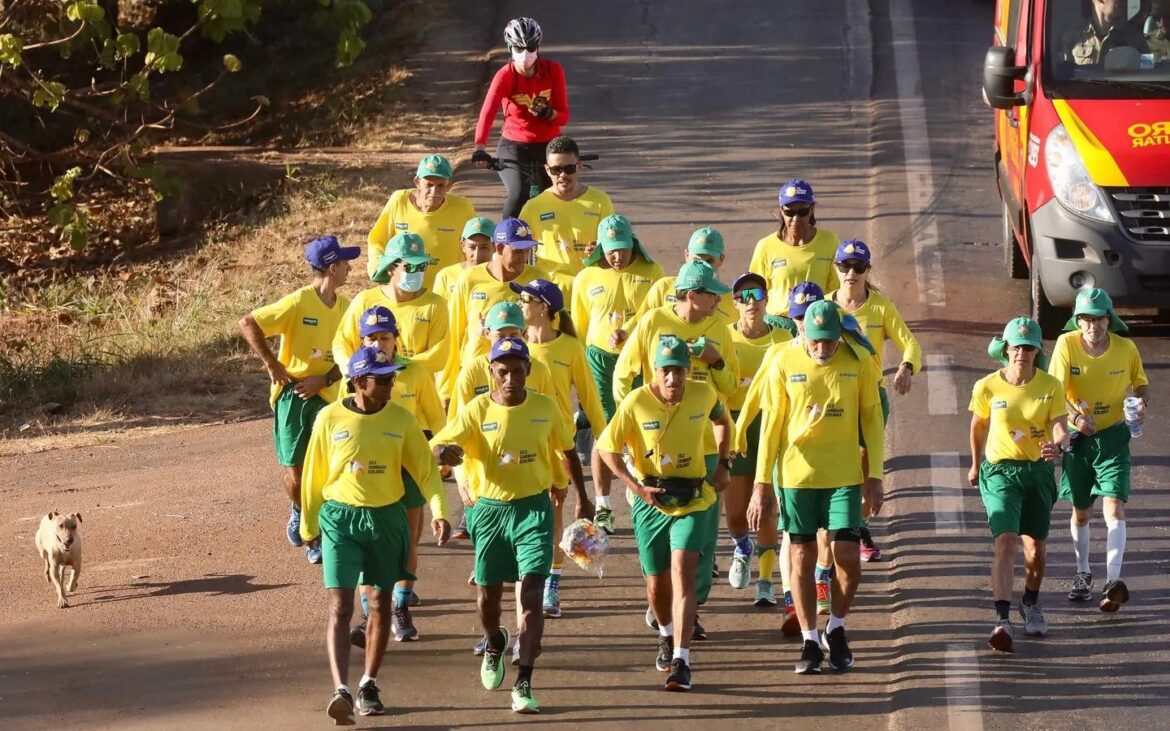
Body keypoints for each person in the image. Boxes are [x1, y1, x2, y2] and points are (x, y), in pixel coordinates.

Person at [299, 346, 451, 723]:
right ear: (358, 382)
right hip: (340, 520)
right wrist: (308, 524)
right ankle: (341, 690)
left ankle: (368, 683)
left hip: (387, 519)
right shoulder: (329, 418)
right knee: (341, 605)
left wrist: (441, 511)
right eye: (382, 380)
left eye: (392, 378)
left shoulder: (401, 419)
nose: (389, 385)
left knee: (381, 605)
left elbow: (426, 469)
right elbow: (314, 475)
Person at [430, 336, 574, 714]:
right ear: (492, 372)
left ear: (529, 369)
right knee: (488, 598)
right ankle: (494, 640)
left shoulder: (546, 407)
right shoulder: (477, 410)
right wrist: (443, 452)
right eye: (503, 371)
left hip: (534, 510)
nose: (511, 378)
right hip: (490, 512)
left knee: (530, 596)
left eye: (517, 370)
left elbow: (566, 448)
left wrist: (582, 496)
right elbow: (437, 447)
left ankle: (523, 683)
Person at [748, 299, 884, 674]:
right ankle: (810, 641)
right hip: (796, 478)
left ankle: (836, 627)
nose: (822, 348)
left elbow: (872, 418)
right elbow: (771, 425)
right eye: (816, 341)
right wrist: (762, 483)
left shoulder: (858, 363)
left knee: (847, 560)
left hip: (843, 477)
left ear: (840, 334)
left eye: (829, 340)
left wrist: (875, 477)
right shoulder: (783, 362)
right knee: (803, 559)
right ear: (803, 333)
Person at [597, 335, 733, 692]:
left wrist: (723, 462)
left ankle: (682, 659)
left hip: (693, 498)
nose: (673, 379)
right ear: (655, 372)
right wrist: (634, 486)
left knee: (682, 572)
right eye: (666, 371)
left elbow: (723, 421)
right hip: (652, 500)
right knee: (657, 583)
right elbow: (607, 447)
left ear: (688, 371)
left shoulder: (703, 394)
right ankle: (665, 632)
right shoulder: (636, 402)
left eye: (679, 371)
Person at [615, 259, 739, 638]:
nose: (718, 300)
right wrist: (636, 429)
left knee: (699, 545)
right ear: (690, 295)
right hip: (656, 452)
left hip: (704, 449)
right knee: (655, 540)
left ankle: (691, 610)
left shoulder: (719, 326)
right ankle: (662, 604)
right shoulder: (653, 322)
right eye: (710, 294)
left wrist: (714, 358)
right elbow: (623, 376)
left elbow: (731, 385)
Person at [238, 235, 357, 564]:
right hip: (293, 397)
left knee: (332, 468)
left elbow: (356, 351)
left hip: (330, 396)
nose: (350, 268)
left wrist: (326, 378)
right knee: (295, 471)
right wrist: (272, 363)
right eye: (346, 263)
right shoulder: (298, 302)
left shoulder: (348, 308)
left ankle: (319, 532)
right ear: (332, 268)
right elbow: (248, 323)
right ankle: (299, 511)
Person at [343, 306, 446, 647]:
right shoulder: (356, 372)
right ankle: (368, 613)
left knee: (406, 544)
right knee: (366, 545)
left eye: (384, 337)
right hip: (367, 474)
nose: (378, 344)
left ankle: (401, 608)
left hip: (408, 468)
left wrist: (437, 453)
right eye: (370, 338)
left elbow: (437, 420)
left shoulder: (416, 373)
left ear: (396, 338)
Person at [968, 318, 1069, 653]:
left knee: (1035, 548)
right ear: (1005, 349)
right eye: (1016, 346)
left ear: (1037, 350)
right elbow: (979, 425)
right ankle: (1002, 618)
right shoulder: (987, 386)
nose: (1021, 353)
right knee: (1006, 539)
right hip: (1000, 472)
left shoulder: (1051, 386)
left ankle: (1031, 601)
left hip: (1038, 472)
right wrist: (974, 462)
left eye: (1028, 347)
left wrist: (1058, 445)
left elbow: (1058, 425)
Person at [1048, 289, 1149, 612]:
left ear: (1110, 318)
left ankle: (1112, 582)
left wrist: (1142, 403)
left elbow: (1141, 382)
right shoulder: (1066, 345)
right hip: (1080, 440)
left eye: (1099, 318)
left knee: (1115, 506)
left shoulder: (1126, 348)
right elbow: (1055, 390)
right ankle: (1082, 573)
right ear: (1078, 321)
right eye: (1087, 319)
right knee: (1081, 511)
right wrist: (1075, 417)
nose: (1093, 326)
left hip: (1114, 437)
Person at [734, 281, 824, 634]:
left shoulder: (844, 352)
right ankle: (792, 599)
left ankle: (819, 582)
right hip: (788, 461)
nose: (804, 324)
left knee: (826, 536)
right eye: (798, 317)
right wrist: (740, 432)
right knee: (792, 533)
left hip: (831, 462)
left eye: (811, 315)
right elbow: (755, 396)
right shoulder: (779, 354)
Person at [514, 278, 605, 618]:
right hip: (519, 444)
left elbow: (589, 399)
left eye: (526, 299)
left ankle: (551, 581)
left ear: (543, 308)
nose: (520, 304)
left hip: (558, 447)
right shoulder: (515, 345)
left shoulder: (570, 348)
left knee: (552, 515)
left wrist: (606, 439)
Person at [827, 238, 921, 563]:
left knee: (868, 468)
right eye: (844, 266)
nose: (850, 274)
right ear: (835, 268)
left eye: (858, 267)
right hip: (834, 398)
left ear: (868, 270)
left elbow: (910, 345)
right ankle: (846, 527)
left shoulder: (881, 307)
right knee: (840, 464)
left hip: (871, 398)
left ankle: (860, 524)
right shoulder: (826, 308)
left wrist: (906, 368)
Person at [570, 214, 665, 531]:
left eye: (623, 248)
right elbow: (580, 330)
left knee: (642, 427)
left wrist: (629, 330)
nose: (617, 255)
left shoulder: (651, 272)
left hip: (638, 359)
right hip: (599, 360)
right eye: (611, 249)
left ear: (633, 242)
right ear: (601, 247)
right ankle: (603, 505)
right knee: (605, 432)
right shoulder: (586, 277)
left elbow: (657, 314)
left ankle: (642, 486)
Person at [722, 273, 793, 606]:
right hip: (734, 425)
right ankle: (741, 546)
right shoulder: (724, 338)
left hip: (772, 423)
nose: (751, 302)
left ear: (767, 299)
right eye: (743, 296)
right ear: (735, 303)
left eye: (757, 294)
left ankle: (766, 580)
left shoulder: (783, 339)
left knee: (767, 506)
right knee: (736, 511)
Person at [442, 217, 561, 402]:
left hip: (521, 375)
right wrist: (446, 389)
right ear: (499, 249)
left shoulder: (538, 279)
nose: (524, 257)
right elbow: (453, 335)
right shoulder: (470, 279)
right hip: (478, 376)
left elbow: (552, 330)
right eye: (517, 251)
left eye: (527, 250)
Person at [472, 17, 570, 218]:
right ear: (510, 48)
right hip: (514, 145)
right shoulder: (504, 76)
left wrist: (548, 113)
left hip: (549, 145)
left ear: (538, 47)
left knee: (556, 196)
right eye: (519, 49)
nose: (525, 54)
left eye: (531, 48)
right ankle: (504, 245)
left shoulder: (553, 70)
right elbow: (487, 113)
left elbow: (564, 117)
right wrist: (480, 148)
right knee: (519, 193)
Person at [333, 233, 449, 379]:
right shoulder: (365, 300)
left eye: (422, 266)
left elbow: (439, 356)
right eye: (411, 267)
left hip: (413, 390)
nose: (418, 272)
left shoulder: (435, 304)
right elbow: (342, 342)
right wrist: (355, 368)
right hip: (369, 388)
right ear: (390, 268)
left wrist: (393, 368)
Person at [366, 154, 477, 287]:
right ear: (417, 182)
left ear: (449, 185)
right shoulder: (399, 201)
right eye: (429, 185)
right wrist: (379, 269)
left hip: (447, 290)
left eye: (441, 185)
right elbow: (377, 240)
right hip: (405, 288)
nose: (434, 191)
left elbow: (476, 247)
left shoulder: (462, 208)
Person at [519, 135, 614, 287]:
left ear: (579, 166)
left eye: (569, 169)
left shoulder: (600, 201)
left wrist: (600, 251)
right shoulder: (533, 207)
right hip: (550, 294)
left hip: (591, 288)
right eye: (556, 170)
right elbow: (516, 250)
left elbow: (614, 245)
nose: (562, 175)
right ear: (547, 170)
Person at [748, 179, 840, 317]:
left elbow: (837, 290)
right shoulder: (765, 246)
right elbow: (754, 293)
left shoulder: (830, 242)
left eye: (802, 212)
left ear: (812, 209)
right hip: (779, 324)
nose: (796, 219)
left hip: (817, 321)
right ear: (781, 211)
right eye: (790, 213)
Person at [635, 228, 736, 326]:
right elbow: (639, 322)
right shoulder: (663, 288)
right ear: (686, 255)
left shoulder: (733, 301)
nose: (702, 266)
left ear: (721, 259)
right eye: (696, 260)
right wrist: (624, 332)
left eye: (709, 261)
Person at [1062, 0, 1149, 65]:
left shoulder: (1136, 39)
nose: (1126, 1)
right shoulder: (1071, 38)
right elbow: (1062, 82)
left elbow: (1149, 73)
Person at [433, 217, 495, 300]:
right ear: (463, 246)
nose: (477, 254)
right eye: (472, 247)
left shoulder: (501, 277)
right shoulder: (446, 276)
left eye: (484, 247)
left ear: (495, 247)